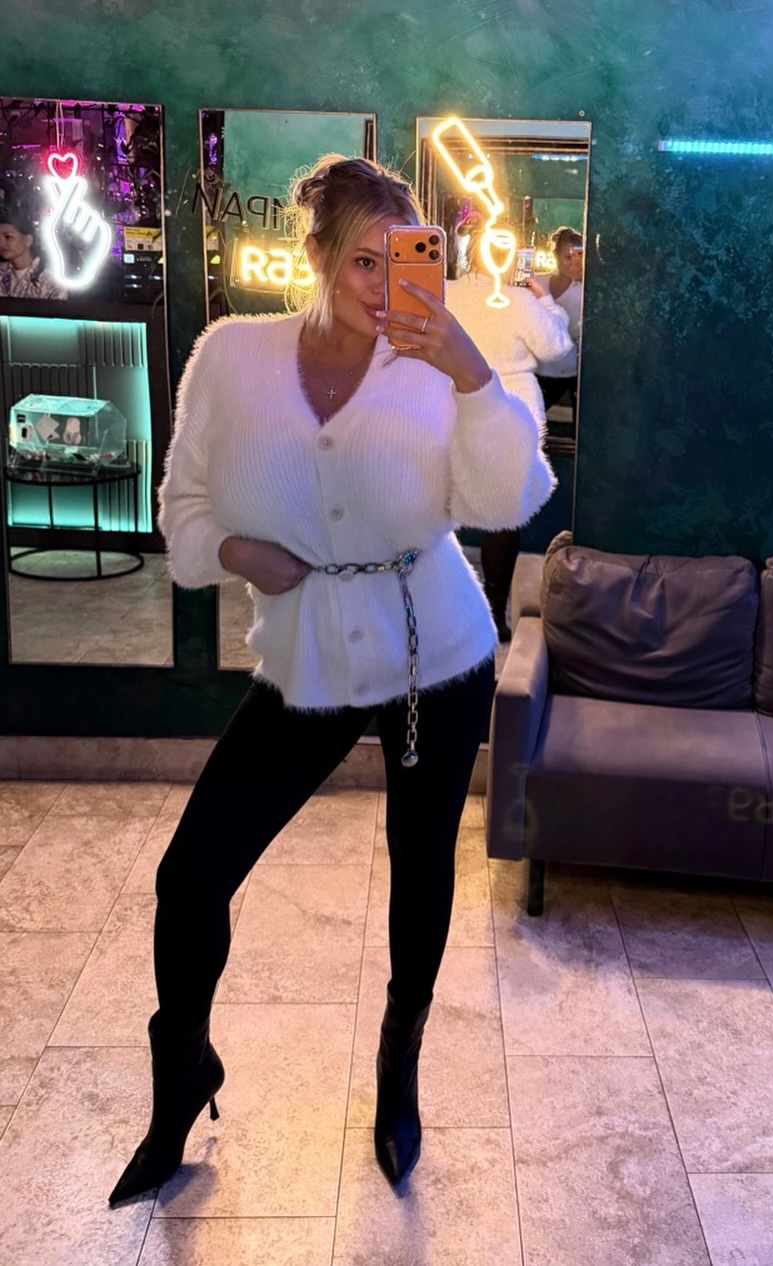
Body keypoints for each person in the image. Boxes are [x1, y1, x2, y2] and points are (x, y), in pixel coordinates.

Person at [108, 155, 555, 1205]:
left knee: (419, 870)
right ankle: (182, 1074)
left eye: (401, 260)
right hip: (307, 651)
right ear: (313, 255)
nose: (381, 285)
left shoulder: (442, 362)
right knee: (191, 876)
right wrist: (234, 552)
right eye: (361, 260)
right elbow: (182, 509)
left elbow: (509, 500)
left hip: (434, 652)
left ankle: (398, 1069)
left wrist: (469, 373)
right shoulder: (232, 358)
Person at [445, 212, 572, 640]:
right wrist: (545, 301)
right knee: (503, 516)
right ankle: (493, 615)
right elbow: (557, 348)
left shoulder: (445, 292)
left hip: (450, 402)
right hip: (509, 410)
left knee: (440, 506)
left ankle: (445, 609)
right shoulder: (518, 300)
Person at [534, 226, 583, 413]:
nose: (572, 263)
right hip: (540, 368)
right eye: (567, 257)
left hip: (570, 370)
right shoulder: (537, 282)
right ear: (556, 256)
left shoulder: (583, 291)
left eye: (578, 257)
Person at [0, 206, 67, 299]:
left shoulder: (51, 278)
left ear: (28, 240)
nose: (1, 243)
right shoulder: (2, 272)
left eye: (8, 237)